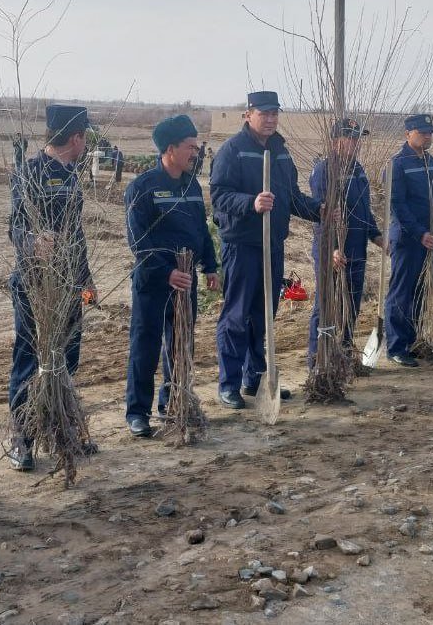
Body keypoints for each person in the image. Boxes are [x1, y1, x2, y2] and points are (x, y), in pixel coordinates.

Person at [210, 91, 322, 408]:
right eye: (264, 113)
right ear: (248, 114)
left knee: (263, 316)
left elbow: (292, 197)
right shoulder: (233, 151)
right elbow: (219, 196)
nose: (271, 119)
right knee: (236, 315)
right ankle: (228, 384)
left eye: (275, 113)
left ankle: (255, 379)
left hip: (272, 245)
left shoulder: (280, 152)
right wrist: (251, 203)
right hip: (241, 244)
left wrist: (319, 210)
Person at [7, 104, 95, 469]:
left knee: (67, 357)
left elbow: (76, 233)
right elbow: (14, 226)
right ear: (75, 138)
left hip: (68, 285)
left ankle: (62, 430)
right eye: (85, 137)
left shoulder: (72, 174)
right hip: (34, 284)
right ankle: (22, 438)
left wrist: (85, 279)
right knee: (30, 360)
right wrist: (33, 243)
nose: (87, 143)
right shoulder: (28, 173)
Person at [123, 115, 219, 437]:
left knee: (181, 345)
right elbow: (138, 241)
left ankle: (173, 402)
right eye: (190, 147)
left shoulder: (191, 186)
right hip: (153, 283)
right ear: (170, 148)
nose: (196, 153)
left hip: (186, 282)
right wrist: (167, 273)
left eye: (196, 147)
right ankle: (138, 412)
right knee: (145, 346)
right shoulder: (142, 187)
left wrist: (211, 266)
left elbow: (201, 230)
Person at [307, 118, 383, 364]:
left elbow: (364, 212)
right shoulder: (324, 170)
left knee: (351, 304)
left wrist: (378, 237)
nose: (355, 142)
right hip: (333, 251)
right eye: (349, 137)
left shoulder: (358, 169)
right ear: (335, 141)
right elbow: (323, 215)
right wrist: (333, 249)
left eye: (357, 138)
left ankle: (345, 354)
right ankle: (318, 360)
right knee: (326, 306)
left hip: (357, 248)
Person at [385, 114, 433, 366]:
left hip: (429, 239)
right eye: (422, 132)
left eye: (430, 132)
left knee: (421, 292)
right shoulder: (397, 164)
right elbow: (398, 206)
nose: (427, 136)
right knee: (401, 293)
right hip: (407, 240)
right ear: (407, 134)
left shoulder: (431, 163)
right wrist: (420, 233)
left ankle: (413, 340)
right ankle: (396, 346)